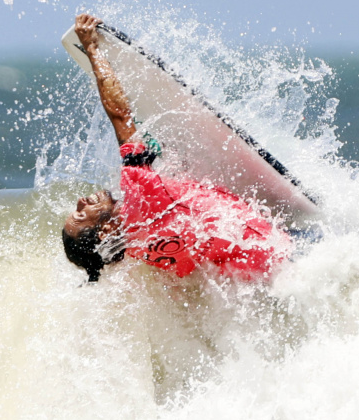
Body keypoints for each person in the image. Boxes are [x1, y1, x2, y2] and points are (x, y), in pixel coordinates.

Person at [62, 14, 293, 283]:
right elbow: (121, 114)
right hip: (280, 246)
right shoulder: (139, 191)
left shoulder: (141, 251)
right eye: (80, 214)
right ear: (105, 232)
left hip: (262, 278)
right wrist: (92, 48)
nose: (80, 202)